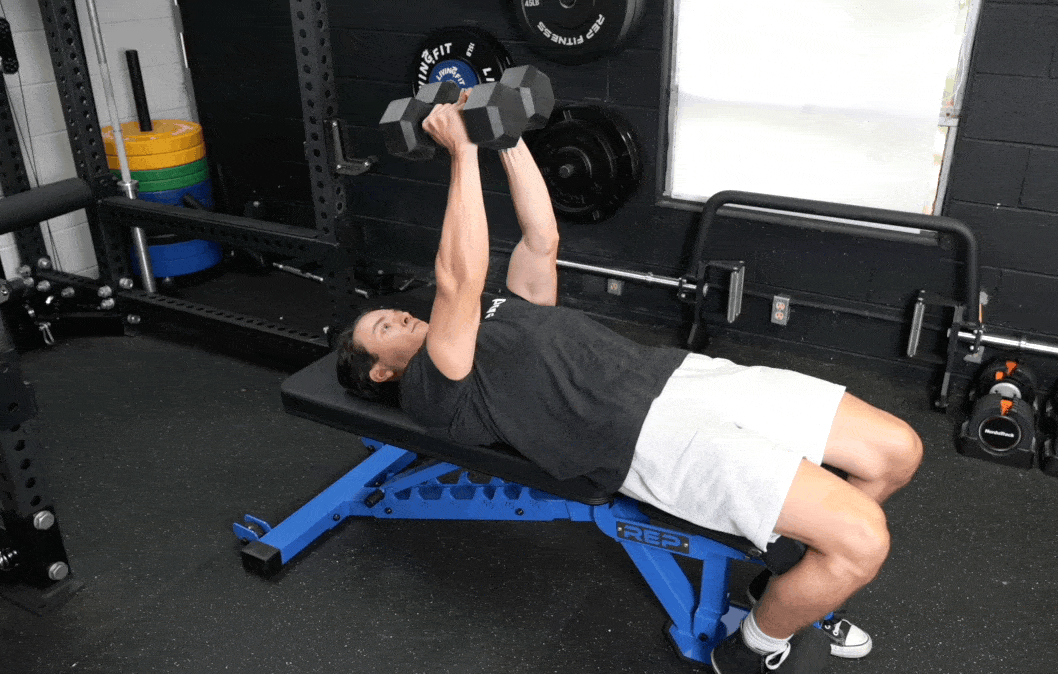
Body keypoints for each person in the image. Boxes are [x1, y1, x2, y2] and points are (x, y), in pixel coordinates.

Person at [335, 89, 923, 674]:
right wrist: (462, 154)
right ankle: (752, 648)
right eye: (385, 325)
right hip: (648, 439)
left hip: (677, 376)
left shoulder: (496, 310)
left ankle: (793, 574)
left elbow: (542, 241)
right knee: (863, 541)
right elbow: (457, 280)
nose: (402, 314)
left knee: (896, 452)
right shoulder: (434, 388)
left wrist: (505, 138)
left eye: (393, 310)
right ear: (383, 369)